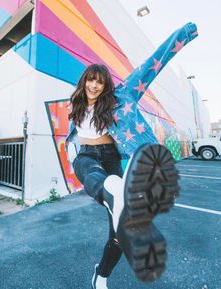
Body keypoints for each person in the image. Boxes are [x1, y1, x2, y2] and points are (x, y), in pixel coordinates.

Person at [65, 22, 198, 289]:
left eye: (100, 82)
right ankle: (115, 195)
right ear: (84, 81)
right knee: (91, 173)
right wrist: (70, 152)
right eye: (91, 79)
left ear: (106, 86)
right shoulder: (75, 104)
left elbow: (153, 64)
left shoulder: (122, 97)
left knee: (119, 232)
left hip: (112, 159)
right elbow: (72, 137)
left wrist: (184, 34)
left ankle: (100, 275)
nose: (95, 85)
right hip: (87, 156)